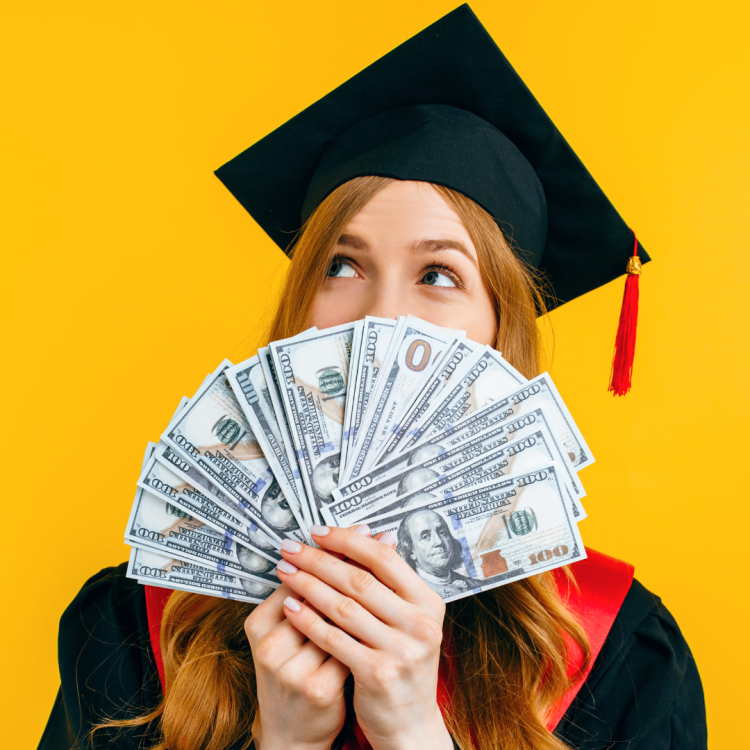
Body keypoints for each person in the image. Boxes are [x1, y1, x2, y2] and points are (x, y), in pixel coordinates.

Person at [39, 6, 707, 750]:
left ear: (499, 334)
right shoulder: (142, 630)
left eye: (438, 274)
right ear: (300, 310)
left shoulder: (619, 655)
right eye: (343, 264)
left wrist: (414, 735)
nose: (381, 318)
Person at [396, 508, 482, 596]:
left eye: (442, 532)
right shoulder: (406, 596)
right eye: (425, 537)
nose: (439, 542)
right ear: (411, 552)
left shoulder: (477, 586)